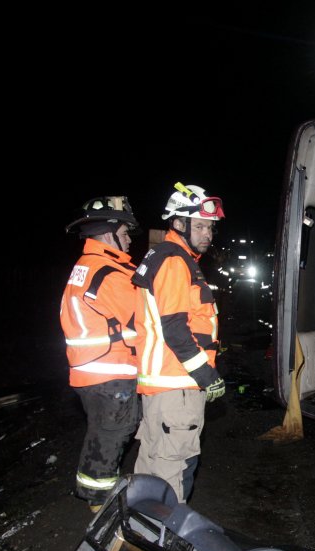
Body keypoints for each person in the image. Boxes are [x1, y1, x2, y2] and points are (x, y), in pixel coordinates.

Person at [131, 182, 226, 502]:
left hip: (164, 387)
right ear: (178, 224)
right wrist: (207, 376)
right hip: (177, 387)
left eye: (210, 228)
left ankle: (138, 531)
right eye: (199, 226)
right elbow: (175, 329)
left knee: (152, 465)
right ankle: (165, 542)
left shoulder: (167, 256)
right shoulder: (174, 261)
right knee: (175, 470)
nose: (207, 234)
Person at [59, 196, 142, 512]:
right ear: (109, 231)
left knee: (106, 435)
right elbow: (141, 324)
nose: (129, 238)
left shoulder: (87, 266)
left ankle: (98, 494)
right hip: (110, 372)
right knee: (110, 438)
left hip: (91, 371)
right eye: (125, 231)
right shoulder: (110, 274)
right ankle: (100, 506)